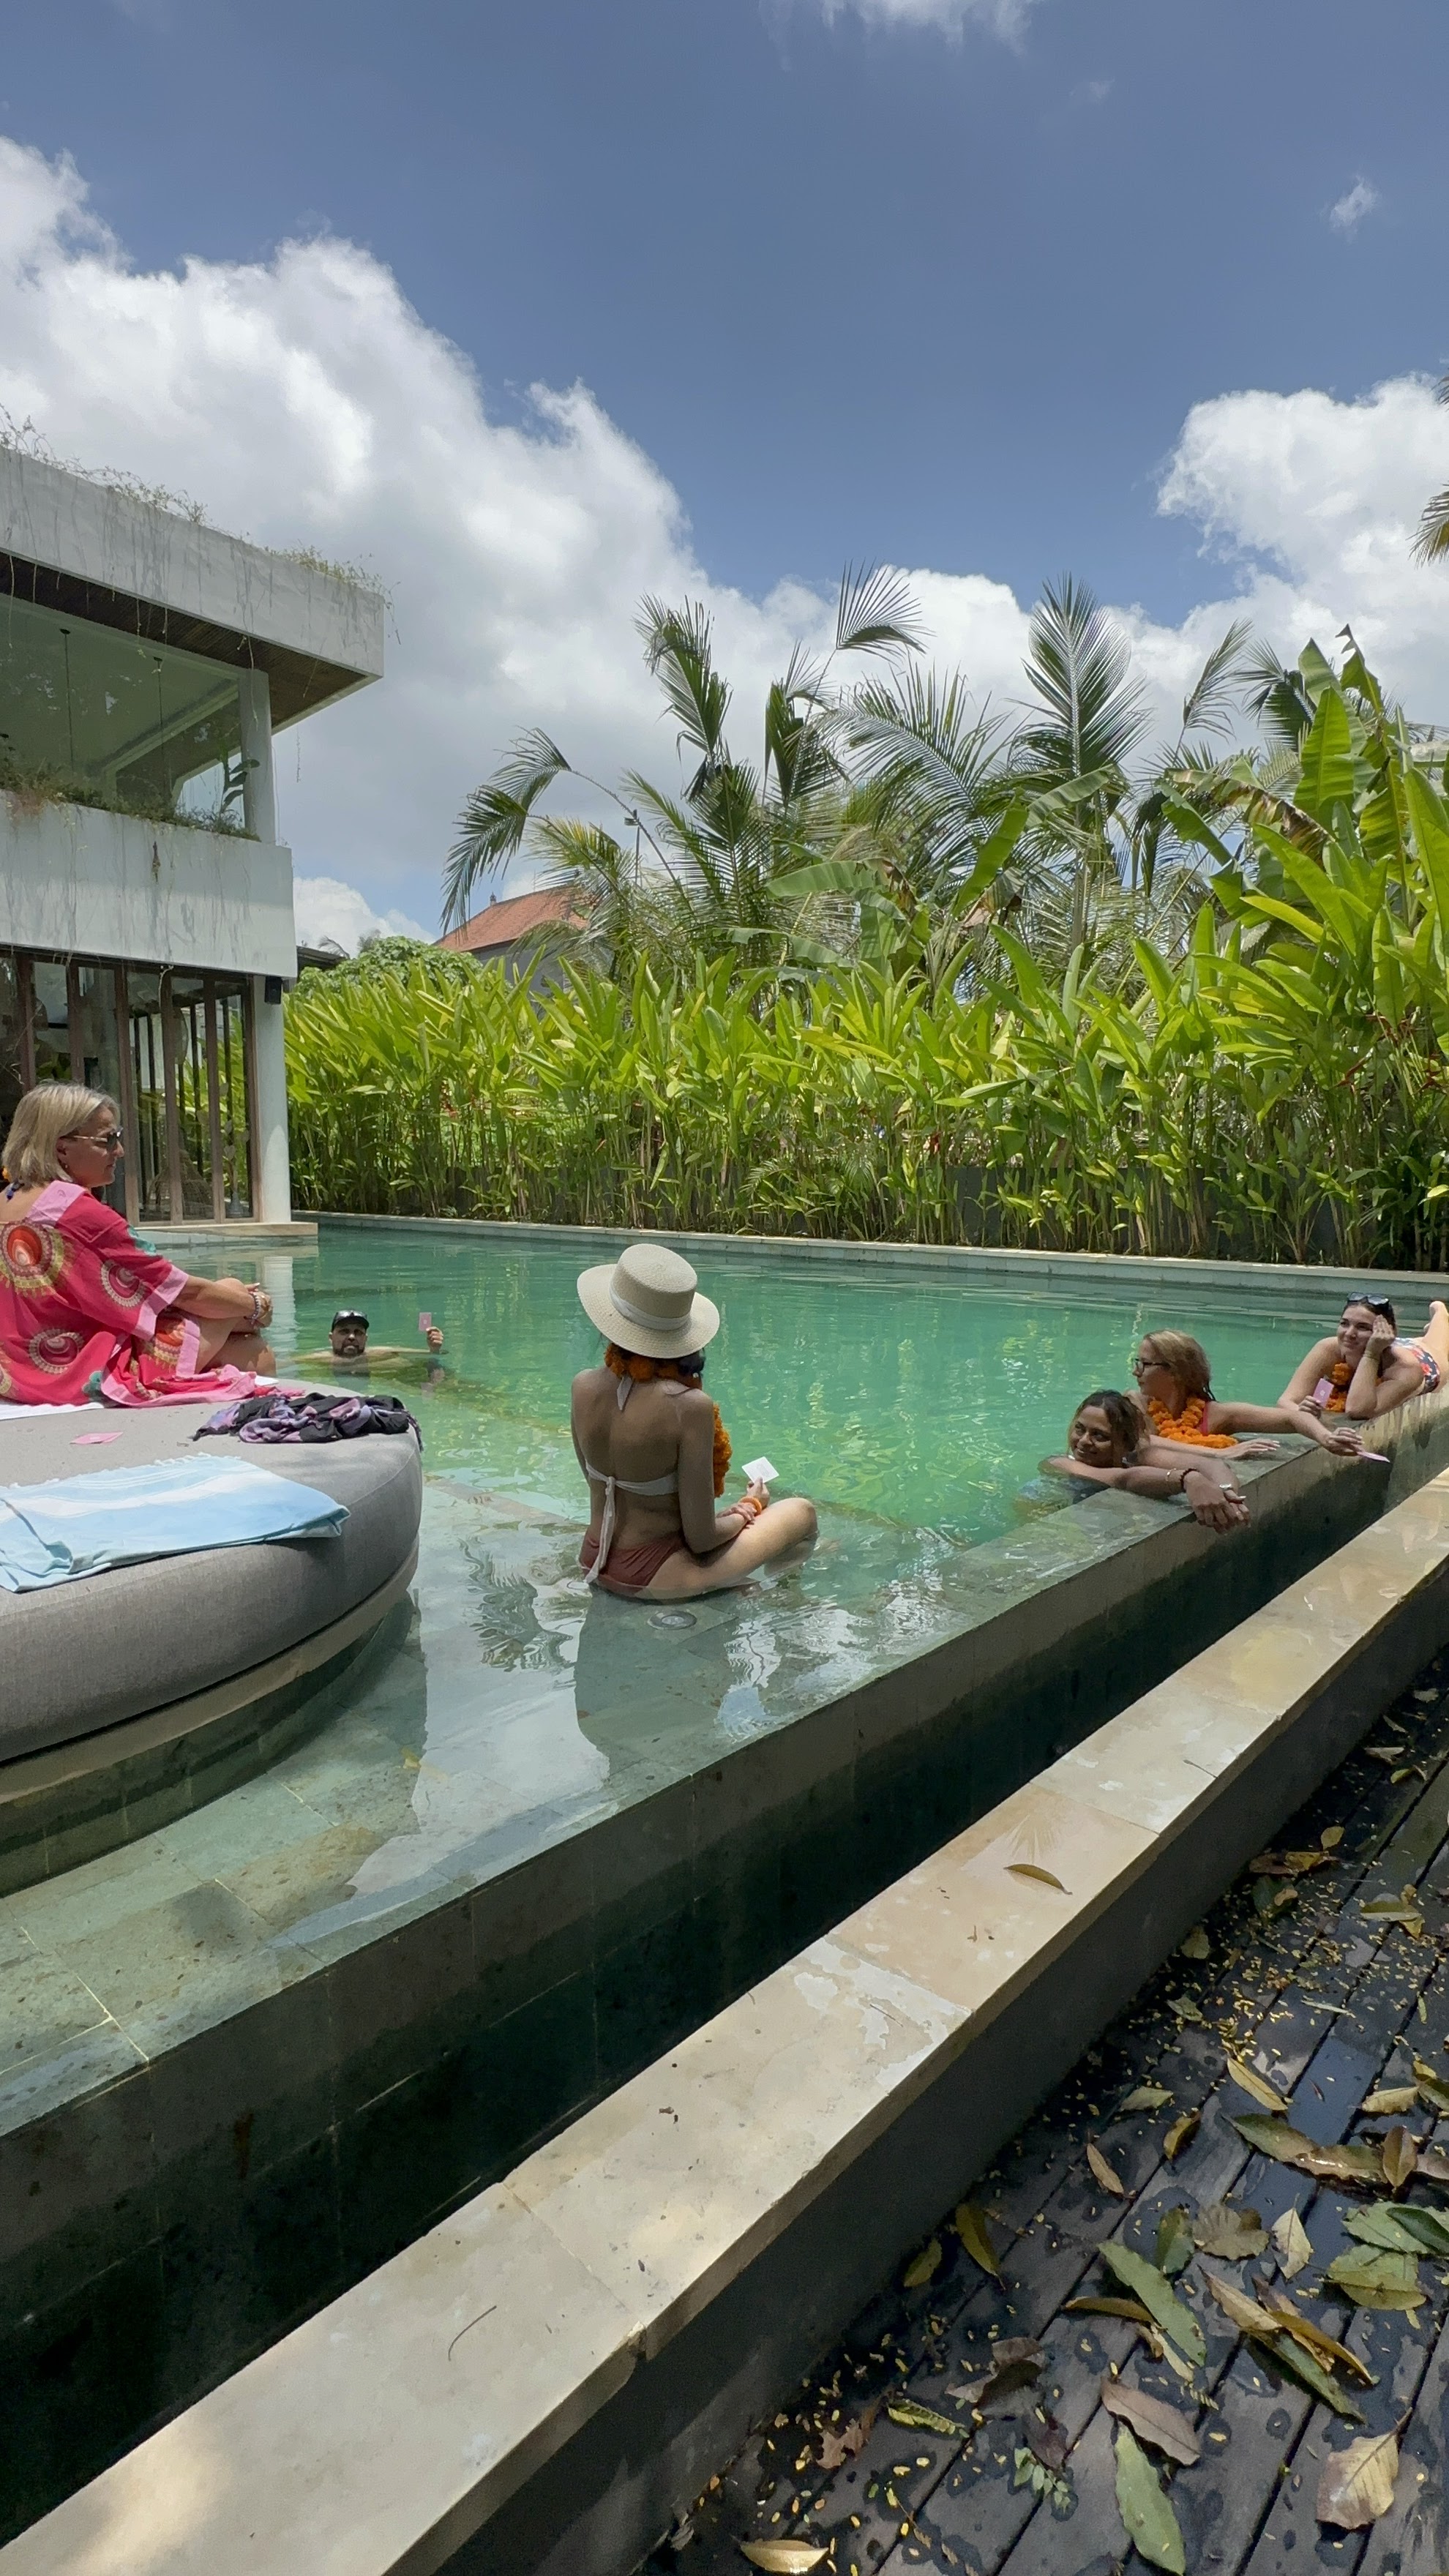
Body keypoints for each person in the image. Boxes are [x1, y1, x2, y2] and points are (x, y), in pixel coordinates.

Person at [0, 1084, 272, 1405]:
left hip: (18, 1375)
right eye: (107, 1140)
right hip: (78, 1375)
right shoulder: (76, 1211)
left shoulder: (7, 1200)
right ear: (62, 1149)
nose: (119, 1151)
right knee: (249, 1340)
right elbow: (181, 1291)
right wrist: (254, 1305)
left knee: (236, 1335)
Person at [572, 1241, 817, 1599]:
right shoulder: (688, 1407)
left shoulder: (582, 1386)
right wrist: (749, 1507)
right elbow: (701, 1540)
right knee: (801, 1513)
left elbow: (602, 1487)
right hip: (658, 1578)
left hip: (594, 1556)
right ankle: (776, 1597)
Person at [1046, 1388, 1251, 1531]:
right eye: (1079, 1429)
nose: (1083, 1441)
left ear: (1126, 1443)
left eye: (1099, 1436)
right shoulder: (1060, 1464)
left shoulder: (1136, 1457)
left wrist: (1226, 1494)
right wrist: (1189, 1479)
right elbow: (1122, 1479)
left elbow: (1210, 1464)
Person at [1278, 1292, 1449, 1437]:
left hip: (1425, 1359)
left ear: (1389, 1333)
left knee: (1438, 1341)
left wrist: (1371, 1354)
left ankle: (1440, 1312)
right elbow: (1285, 1401)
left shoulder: (1406, 1368)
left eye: (1363, 1327)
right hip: (1387, 1347)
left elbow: (1358, 1410)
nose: (1349, 1334)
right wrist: (1302, 1412)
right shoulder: (1328, 1348)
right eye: (1344, 1324)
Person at [1129, 1330, 1298, 1453]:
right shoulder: (1133, 1403)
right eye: (1138, 1363)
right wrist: (1219, 1453)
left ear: (1175, 1372)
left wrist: (1317, 1430)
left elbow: (1292, 1418)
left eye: (1145, 1364)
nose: (1136, 1372)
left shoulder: (1214, 1414)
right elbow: (1143, 1441)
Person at [295, 1311, 446, 1373]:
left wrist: (434, 1349)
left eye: (358, 1332)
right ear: (331, 1337)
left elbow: (430, 1355)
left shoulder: (381, 1353)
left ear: (365, 1339)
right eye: (344, 1331)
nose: (352, 1337)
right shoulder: (317, 1359)